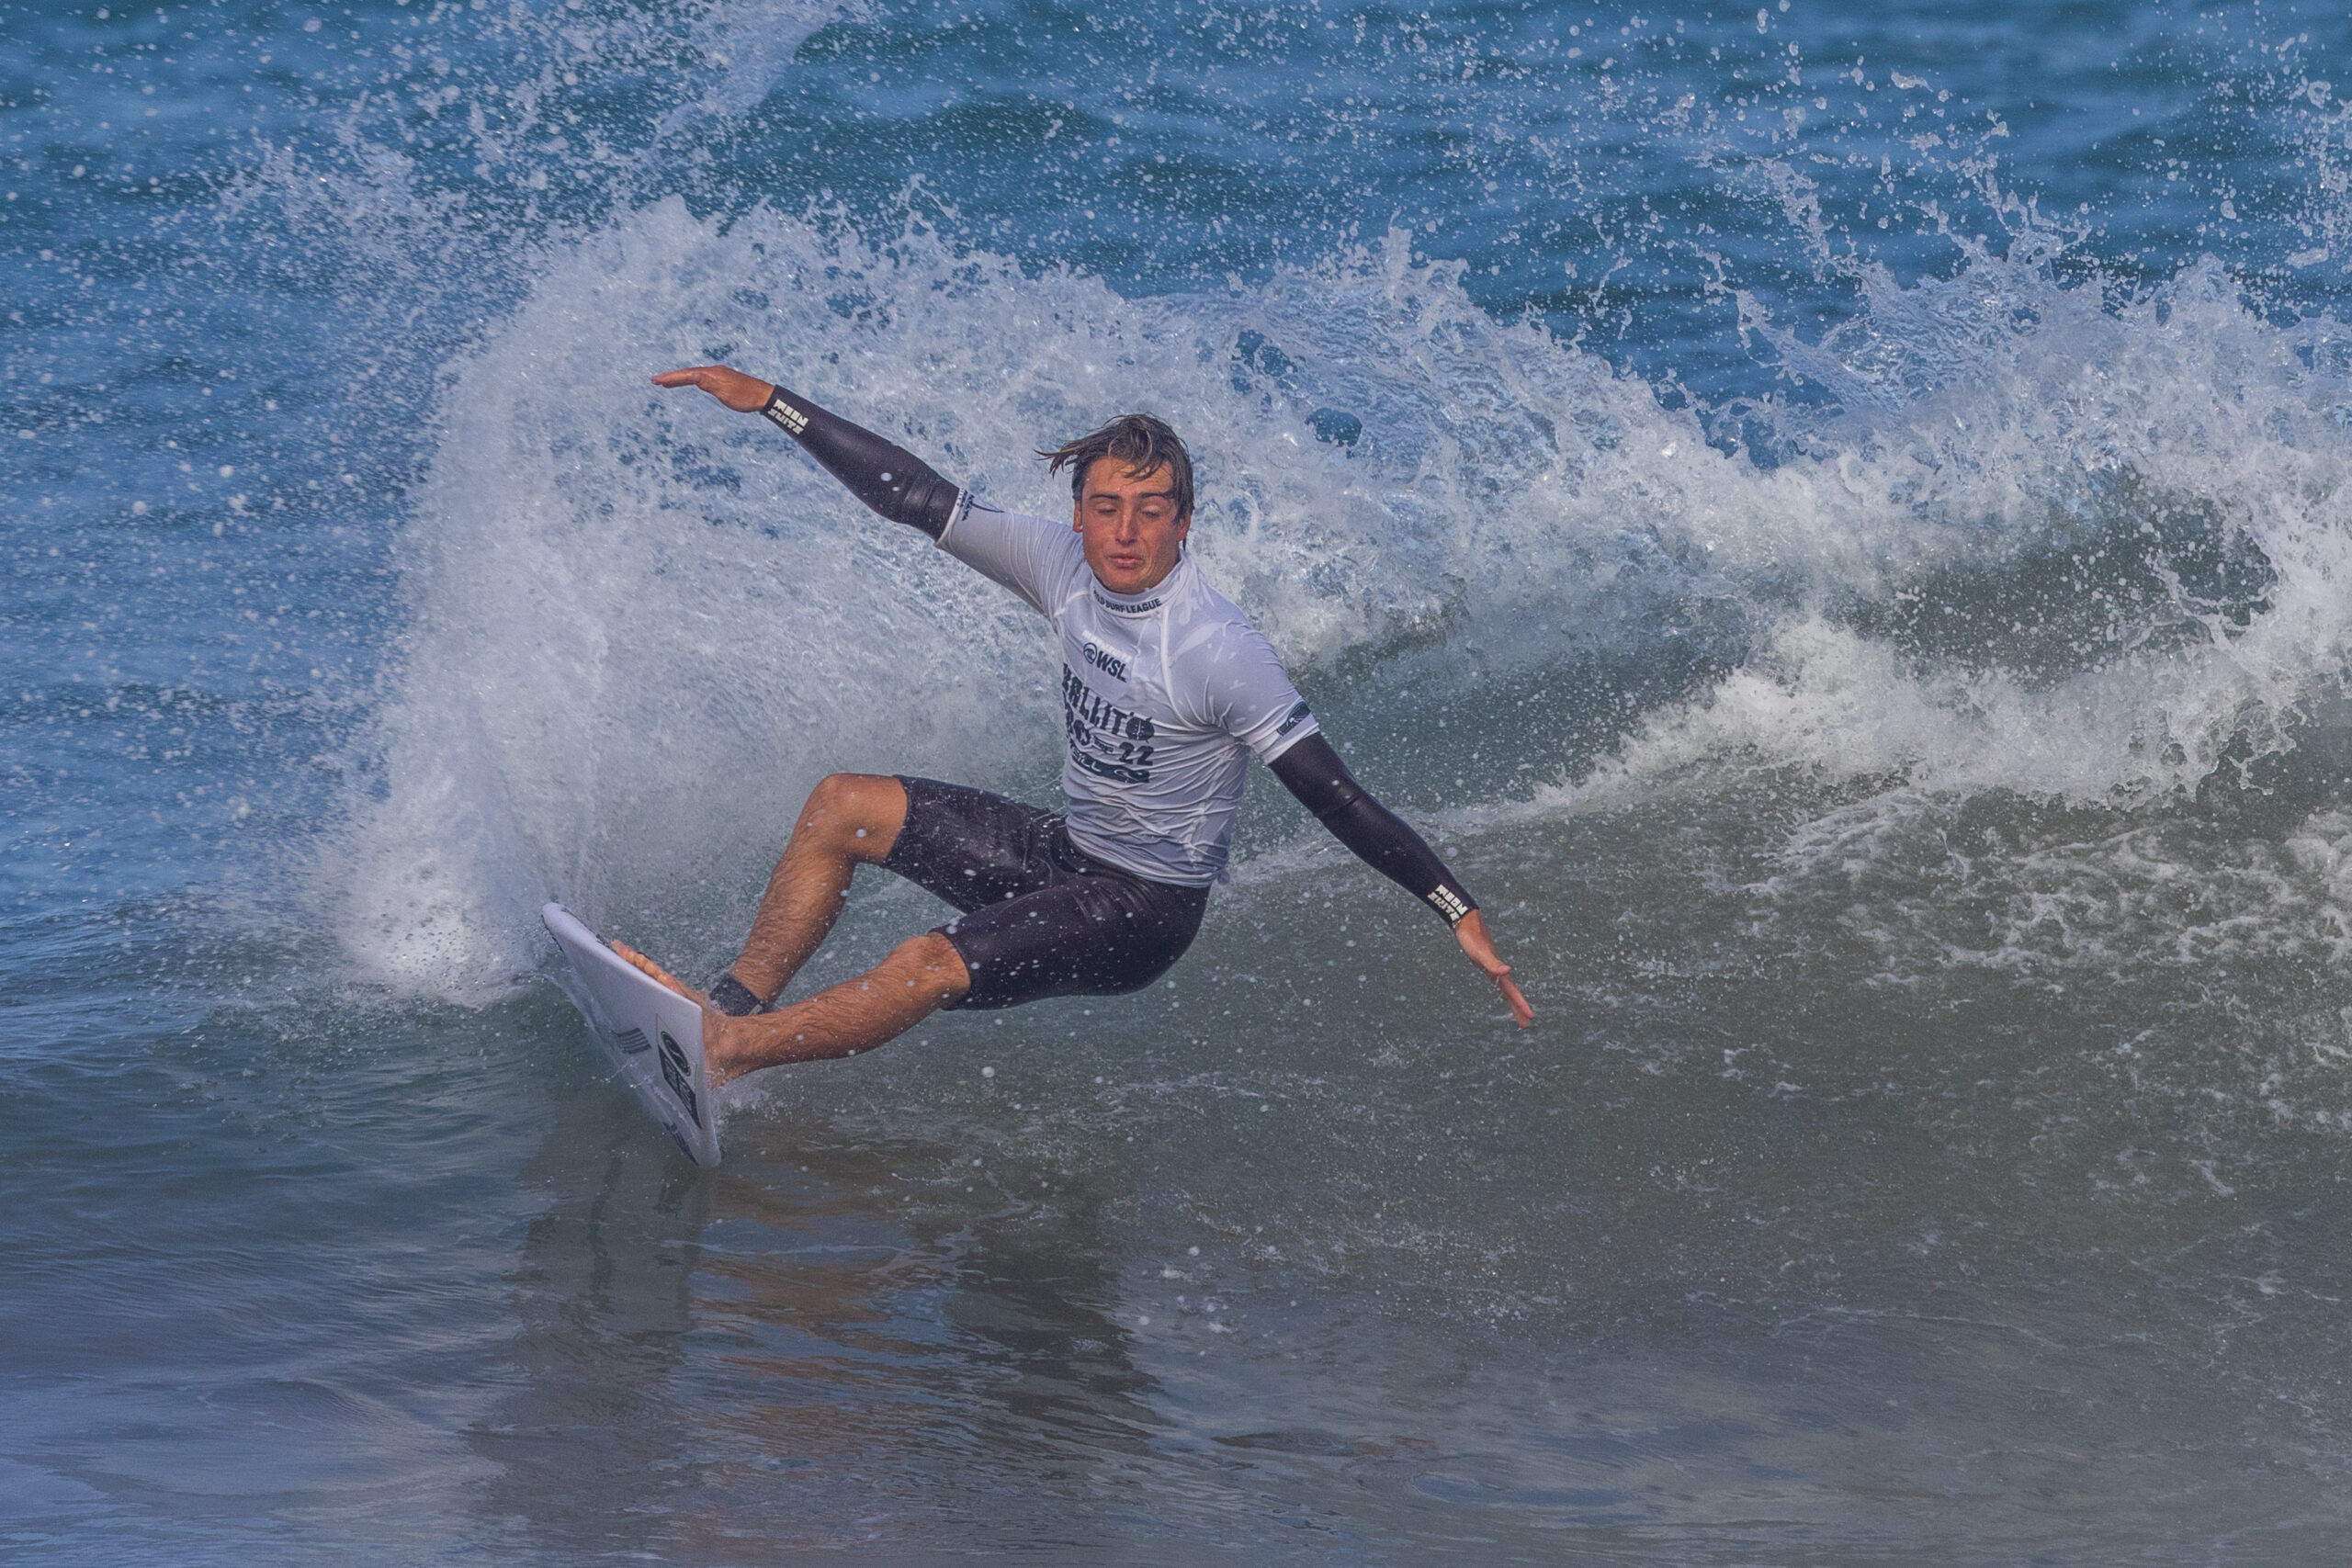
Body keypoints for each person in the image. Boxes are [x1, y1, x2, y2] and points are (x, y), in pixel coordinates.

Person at [616, 364, 1532, 1088]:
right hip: (1064, 852)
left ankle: (730, 1054)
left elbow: (1335, 796)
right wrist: (773, 402)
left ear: (1184, 522)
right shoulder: (1059, 566)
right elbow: (910, 495)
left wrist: (1453, 907)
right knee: (840, 804)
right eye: (1105, 509)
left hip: (1140, 911)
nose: (1124, 533)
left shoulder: (1215, 649)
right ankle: (726, 1007)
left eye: (1150, 511)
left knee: (924, 964)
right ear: (1079, 515)